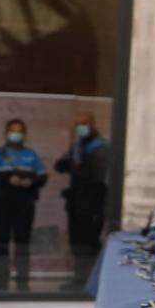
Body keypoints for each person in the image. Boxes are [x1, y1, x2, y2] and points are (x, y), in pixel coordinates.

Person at [0, 118, 47, 291]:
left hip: (24, 204)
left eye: (19, 131)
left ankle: (22, 282)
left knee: (23, 242)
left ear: (24, 134)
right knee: (1, 241)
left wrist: (30, 182)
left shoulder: (31, 154)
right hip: (1, 203)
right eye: (12, 130)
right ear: (6, 133)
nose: (15, 134)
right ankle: (1, 281)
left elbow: (42, 176)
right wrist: (7, 179)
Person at [53, 111, 111, 290]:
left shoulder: (100, 146)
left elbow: (95, 175)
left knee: (90, 242)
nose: (81, 128)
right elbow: (59, 165)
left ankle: (91, 281)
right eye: (78, 124)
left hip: (93, 203)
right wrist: (73, 165)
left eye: (84, 123)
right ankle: (79, 279)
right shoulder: (78, 146)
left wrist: (76, 167)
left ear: (93, 124)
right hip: (76, 202)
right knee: (77, 242)